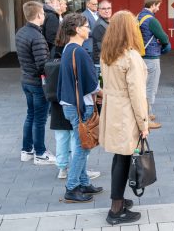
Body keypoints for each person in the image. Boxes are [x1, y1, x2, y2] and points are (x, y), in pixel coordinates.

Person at [99, 10, 149, 225]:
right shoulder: (131, 57)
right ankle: (115, 210)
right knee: (124, 158)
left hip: (112, 111)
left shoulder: (107, 54)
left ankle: (117, 201)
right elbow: (137, 95)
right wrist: (144, 124)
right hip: (126, 113)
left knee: (119, 158)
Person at [57, 13, 104, 203]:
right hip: (81, 106)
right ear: (77, 29)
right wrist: (106, 94)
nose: (89, 29)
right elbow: (92, 85)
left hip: (71, 104)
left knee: (82, 143)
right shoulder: (79, 52)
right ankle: (72, 187)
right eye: (86, 26)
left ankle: (83, 183)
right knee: (82, 147)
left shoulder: (68, 49)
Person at [15, 1, 56, 165]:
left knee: (30, 115)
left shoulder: (21, 32)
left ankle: (26, 150)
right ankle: (40, 153)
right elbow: (42, 65)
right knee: (39, 119)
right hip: (37, 84)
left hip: (26, 80)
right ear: (39, 15)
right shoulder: (37, 37)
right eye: (44, 14)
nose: (45, 16)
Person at [139, 0, 170, 129]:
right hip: (151, 57)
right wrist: (163, 42)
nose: (158, 8)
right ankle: (147, 120)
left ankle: (148, 112)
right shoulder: (152, 20)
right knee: (150, 89)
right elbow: (164, 38)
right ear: (152, 5)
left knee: (143, 87)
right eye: (158, 6)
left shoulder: (139, 16)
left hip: (141, 56)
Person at [91, 0, 113, 75]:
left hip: (107, 62)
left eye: (109, 8)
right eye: (103, 9)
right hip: (101, 65)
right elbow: (104, 47)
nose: (107, 11)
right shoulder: (100, 25)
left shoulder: (107, 23)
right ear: (98, 10)